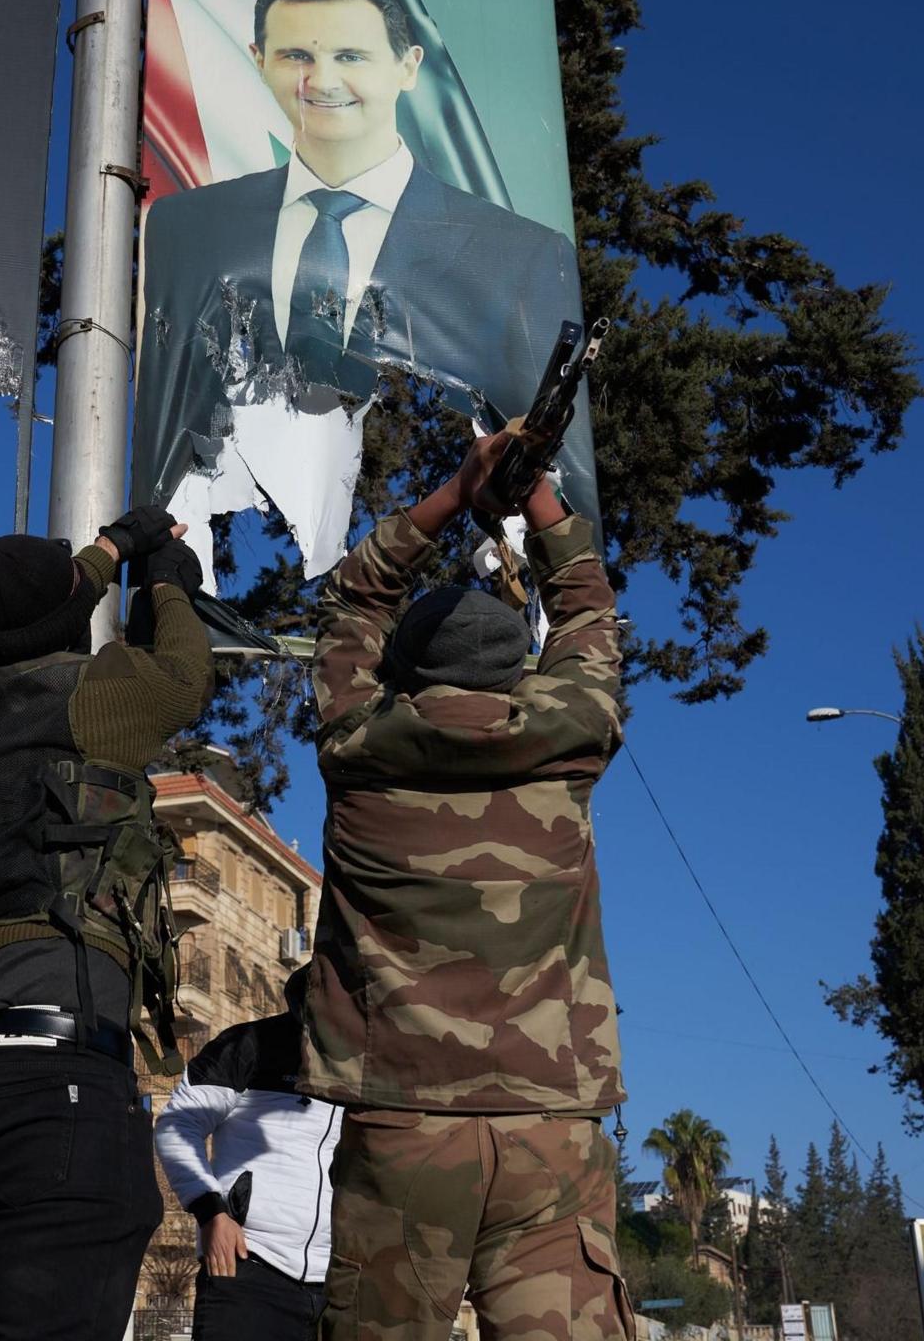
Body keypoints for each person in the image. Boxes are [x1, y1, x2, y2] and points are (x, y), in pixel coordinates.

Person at [300, 433, 628, 1340]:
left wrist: (454, 491)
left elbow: (353, 599)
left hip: (405, 1122)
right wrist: (540, 501)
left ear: (400, 671)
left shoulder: (357, 753)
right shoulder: (568, 740)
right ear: (517, 671)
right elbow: (587, 611)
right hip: (551, 1122)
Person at [133, 0, 592, 572]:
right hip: (221, 608)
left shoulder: (518, 254)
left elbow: (553, 459)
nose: (322, 80)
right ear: (258, 60)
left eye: (351, 55)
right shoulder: (185, 227)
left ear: (407, 66)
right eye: (296, 55)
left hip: (446, 609)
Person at [0, 504, 215, 1340]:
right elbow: (182, 679)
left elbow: (35, 617)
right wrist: (171, 587)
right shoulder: (89, 697)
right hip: (50, 1082)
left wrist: (111, 550)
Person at [156, 969, 346, 1341]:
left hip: (342, 1281)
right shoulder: (252, 1044)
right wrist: (210, 1211)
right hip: (247, 1267)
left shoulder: (373, 1070)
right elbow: (177, 1125)